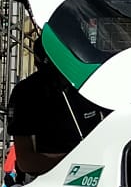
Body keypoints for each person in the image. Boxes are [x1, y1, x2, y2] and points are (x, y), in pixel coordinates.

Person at [7, 32, 107, 177]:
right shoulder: (28, 92)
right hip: (47, 178)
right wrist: (71, 161)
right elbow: (26, 161)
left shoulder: (87, 87)